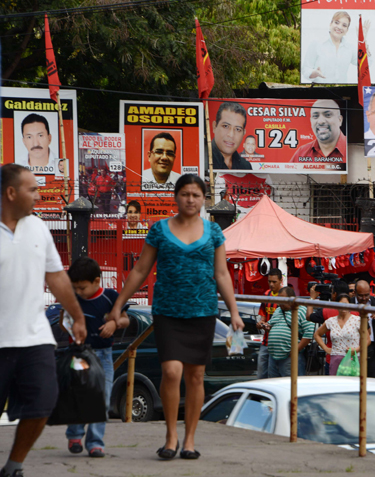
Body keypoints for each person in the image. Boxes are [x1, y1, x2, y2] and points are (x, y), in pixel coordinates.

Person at [109, 174, 245, 460]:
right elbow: (140, 270)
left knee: (196, 376)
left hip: (203, 312)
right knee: (171, 372)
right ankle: (171, 435)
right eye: (185, 194)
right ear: (176, 197)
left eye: (196, 195)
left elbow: (222, 273)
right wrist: (118, 304)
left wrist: (234, 312)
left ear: (204, 199)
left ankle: (190, 440)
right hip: (167, 311)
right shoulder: (159, 230)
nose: (190, 200)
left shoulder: (214, 232)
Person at [0, 164, 87, 477]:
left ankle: (13, 467)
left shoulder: (38, 228)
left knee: (43, 402)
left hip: (35, 338)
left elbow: (56, 276)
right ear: (11, 193)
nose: (39, 195)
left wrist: (77, 315)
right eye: (33, 189)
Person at [64, 257, 130, 458]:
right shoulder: (72, 299)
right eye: (75, 288)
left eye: (82, 288)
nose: (79, 292)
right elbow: (62, 322)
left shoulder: (110, 297)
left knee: (103, 399)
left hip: (104, 355)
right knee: (79, 396)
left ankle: (95, 443)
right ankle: (75, 434)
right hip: (79, 354)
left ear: (96, 281)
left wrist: (114, 324)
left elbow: (125, 319)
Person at [303, 11, 366, 83]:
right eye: (337, 22)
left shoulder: (350, 48)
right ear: (330, 24)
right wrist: (314, 73)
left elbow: (366, 63)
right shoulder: (317, 44)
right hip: (320, 88)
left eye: (344, 25)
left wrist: (364, 40)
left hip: (342, 89)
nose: (339, 27)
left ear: (347, 30)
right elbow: (305, 70)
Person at [265, 287, 314, 378]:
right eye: (279, 300)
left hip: (290, 357)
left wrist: (295, 350)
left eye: (283, 300)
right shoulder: (278, 310)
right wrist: (265, 326)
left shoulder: (302, 310)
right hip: (273, 356)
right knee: (273, 383)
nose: (280, 303)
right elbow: (271, 325)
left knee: (290, 383)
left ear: (292, 299)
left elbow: (309, 333)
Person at [314, 293, 363, 375]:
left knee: (353, 382)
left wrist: (357, 349)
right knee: (336, 382)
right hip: (335, 359)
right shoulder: (331, 321)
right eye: (341, 304)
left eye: (346, 304)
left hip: (353, 359)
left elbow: (367, 340)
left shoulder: (357, 320)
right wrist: (325, 348)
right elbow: (317, 334)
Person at [290, 99, 347, 164]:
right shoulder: (302, 153)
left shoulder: (350, 149)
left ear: (340, 120)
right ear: (311, 121)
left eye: (328, 115)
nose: (320, 121)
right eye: (315, 116)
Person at [209, 102, 252, 171]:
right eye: (226, 126)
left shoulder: (245, 166)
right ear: (214, 126)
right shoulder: (201, 160)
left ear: (243, 133)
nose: (231, 135)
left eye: (238, 129)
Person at [256, 268, 282, 379]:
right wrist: (261, 323)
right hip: (266, 341)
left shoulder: (285, 296)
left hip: (279, 343)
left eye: (274, 282)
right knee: (261, 374)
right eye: (269, 281)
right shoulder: (266, 294)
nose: (271, 284)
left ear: (281, 280)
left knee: (275, 377)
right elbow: (263, 315)